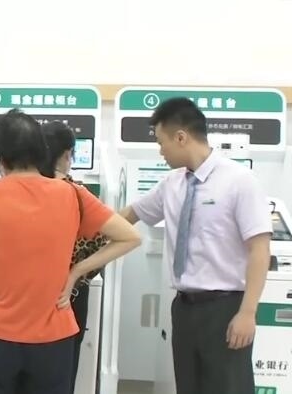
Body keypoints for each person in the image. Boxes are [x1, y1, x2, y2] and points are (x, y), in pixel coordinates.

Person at [0, 109, 140, 394]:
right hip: (54, 333)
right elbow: (130, 237)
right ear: (41, 151)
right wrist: (77, 272)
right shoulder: (74, 195)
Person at [118, 98, 271, 394]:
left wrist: (247, 313)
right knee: (188, 386)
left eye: (161, 143)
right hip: (185, 308)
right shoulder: (172, 183)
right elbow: (130, 215)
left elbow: (260, 249)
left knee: (228, 387)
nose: (160, 151)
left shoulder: (239, 181)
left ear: (181, 137)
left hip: (226, 308)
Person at [40, 120, 111, 394]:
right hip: (70, 299)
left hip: (25, 295)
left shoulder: (21, 191)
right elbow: (107, 243)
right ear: (67, 154)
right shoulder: (78, 195)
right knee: (63, 373)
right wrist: (76, 272)